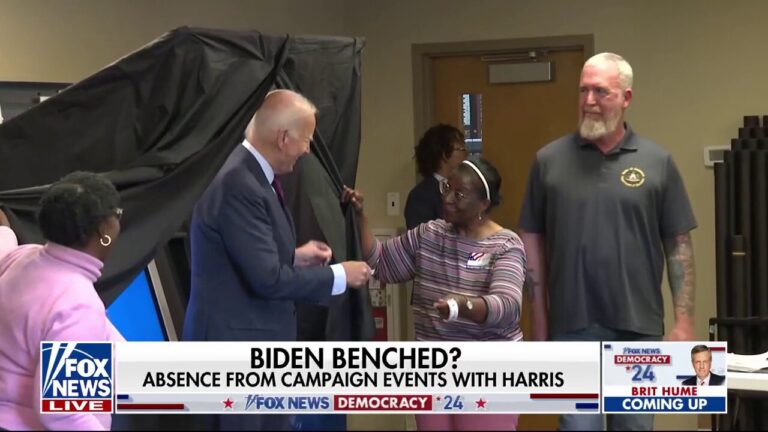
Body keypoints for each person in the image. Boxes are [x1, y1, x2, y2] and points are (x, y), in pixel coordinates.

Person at [519, 52, 698, 431]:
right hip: (572, 325)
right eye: (583, 90)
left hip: (638, 325)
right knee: (577, 427)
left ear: (626, 97)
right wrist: (539, 322)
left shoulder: (656, 161)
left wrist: (683, 321)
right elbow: (531, 241)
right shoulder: (549, 161)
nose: (589, 101)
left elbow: (678, 243)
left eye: (601, 92)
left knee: (633, 428)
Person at [181, 89, 371, 431]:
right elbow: (267, 280)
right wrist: (339, 275)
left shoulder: (250, 176)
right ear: (284, 137)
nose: (308, 150)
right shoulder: (241, 184)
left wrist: (293, 257)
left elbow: (242, 256)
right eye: (307, 140)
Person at [343, 157, 525, 431]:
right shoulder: (429, 234)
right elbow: (380, 263)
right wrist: (360, 216)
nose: (448, 199)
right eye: (446, 189)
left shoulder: (505, 245)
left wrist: (462, 306)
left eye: (459, 194)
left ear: (483, 205)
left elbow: (507, 306)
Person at [0, 172, 125, 431]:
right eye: (118, 214)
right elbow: (62, 413)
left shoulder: (24, 257)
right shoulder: (78, 304)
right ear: (104, 231)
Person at [404, 124, 468, 229]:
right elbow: (422, 239)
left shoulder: (464, 189)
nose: (466, 153)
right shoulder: (421, 196)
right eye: (462, 149)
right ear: (444, 155)